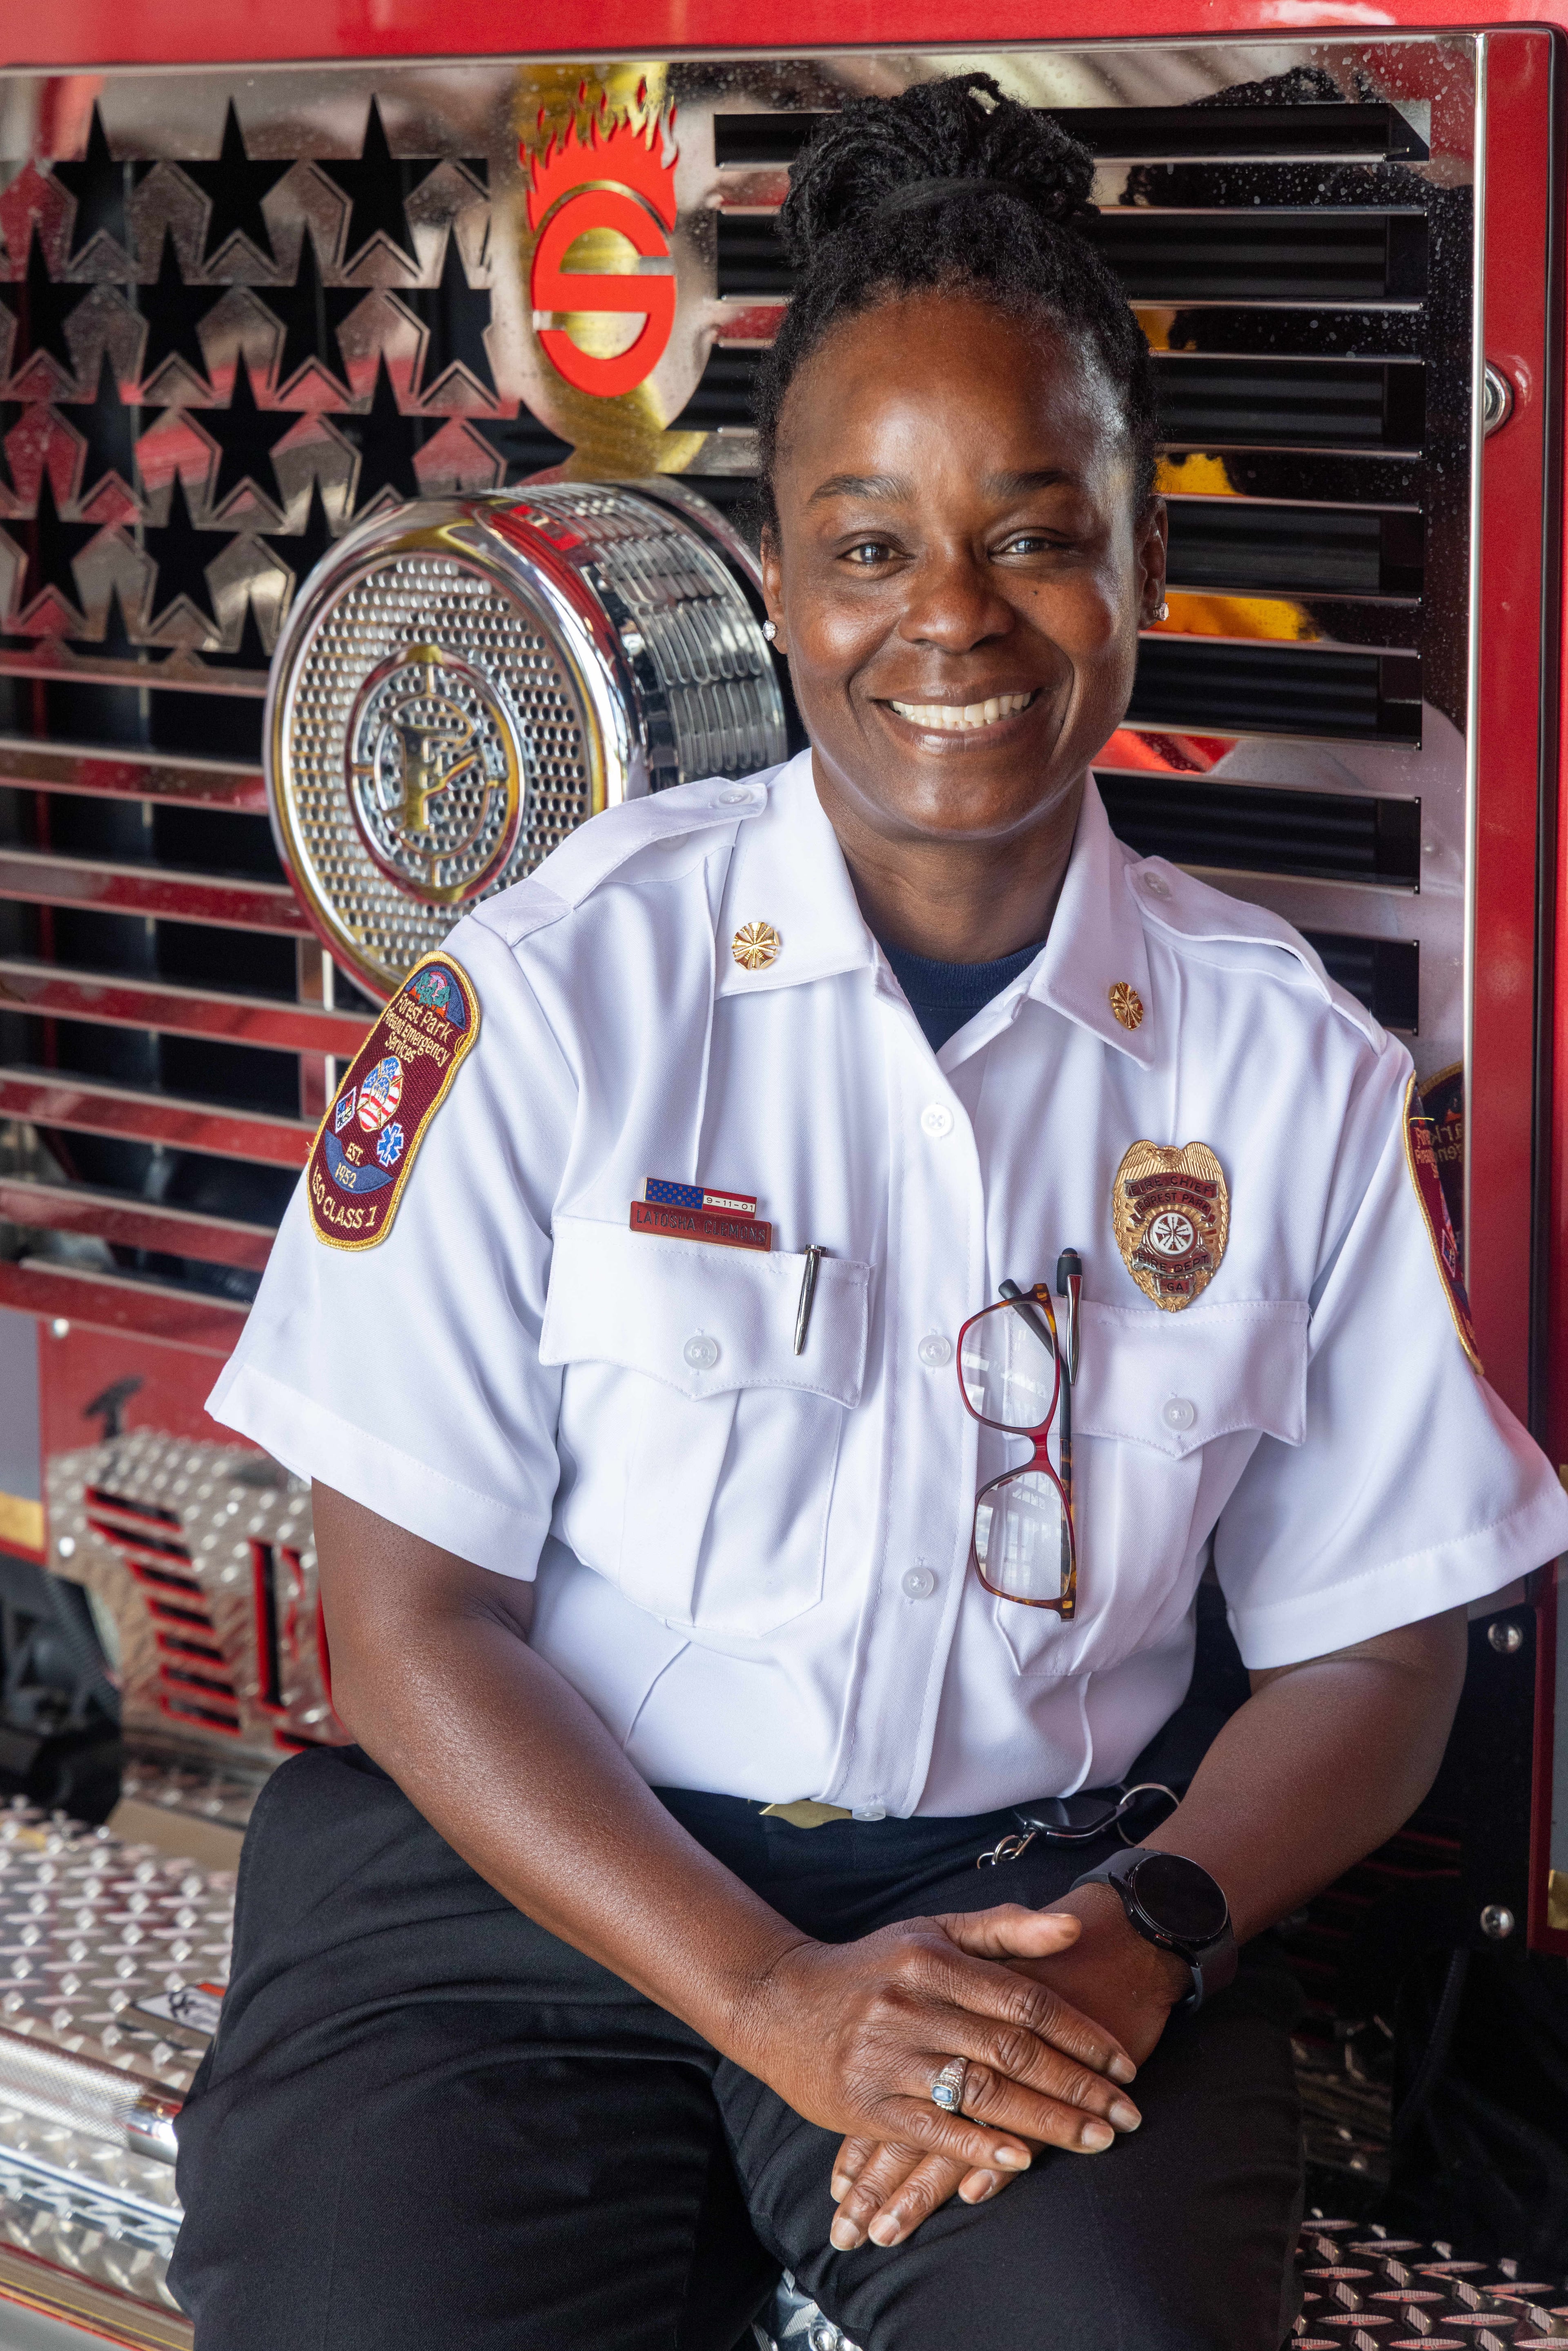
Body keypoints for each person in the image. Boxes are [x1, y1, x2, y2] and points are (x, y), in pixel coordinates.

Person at [168, 74, 1568, 2351]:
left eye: (1035, 534)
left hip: (1033, 1911)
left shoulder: (1286, 1070)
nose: (958, 622)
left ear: (1140, 561)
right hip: (532, 1885)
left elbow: (1380, 1647)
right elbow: (406, 1619)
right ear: (781, 579)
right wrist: (778, 2006)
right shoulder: (554, 995)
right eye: (872, 544)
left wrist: (1149, 1939)